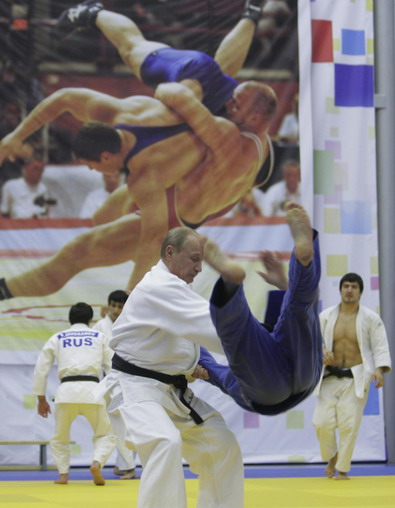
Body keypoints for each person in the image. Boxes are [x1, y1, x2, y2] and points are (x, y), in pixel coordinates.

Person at [0, 0, 276, 294]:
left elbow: (153, 239)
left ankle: (95, 13)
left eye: (92, 166)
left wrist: (129, 302)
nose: (96, 172)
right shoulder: (124, 114)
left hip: (198, 164)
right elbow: (65, 97)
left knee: (136, 50)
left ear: (107, 156)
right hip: (222, 154)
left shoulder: (149, 172)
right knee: (102, 217)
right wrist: (14, 136)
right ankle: (251, 13)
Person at [99, 227, 261, 508]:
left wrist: (190, 368)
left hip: (171, 390)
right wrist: (266, 346)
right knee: (164, 441)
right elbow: (212, 327)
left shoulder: (175, 288)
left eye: (202, 261)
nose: (200, 268)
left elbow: (186, 338)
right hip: (136, 387)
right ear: (170, 253)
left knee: (221, 442)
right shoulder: (159, 286)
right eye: (195, 259)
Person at [197, 202, 323, 415]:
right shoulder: (255, 353)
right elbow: (210, 366)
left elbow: (209, 368)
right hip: (305, 367)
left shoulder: (238, 377)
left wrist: (197, 362)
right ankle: (302, 264)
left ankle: (233, 283)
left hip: (284, 387)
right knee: (299, 310)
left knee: (296, 310)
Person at [312, 273, 391, 480]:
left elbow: (380, 345)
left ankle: (343, 469)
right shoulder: (326, 316)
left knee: (349, 424)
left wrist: (380, 370)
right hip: (329, 376)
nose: (349, 290)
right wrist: (321, 352)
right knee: (321, 423)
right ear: (340, 290)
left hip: (356, 377)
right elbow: (312, 342)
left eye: (353, 287)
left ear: (360, 291)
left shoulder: (371, 318)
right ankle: (331, 456)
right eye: (345, 286)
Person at [33, 302, 117, 485]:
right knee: (106, 433)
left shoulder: (58, 337)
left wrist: (41, 398)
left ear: (70, 319)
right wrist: (113, 393)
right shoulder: (99, 336)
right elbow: (112, 367)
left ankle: (63, 475)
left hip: (66, 393)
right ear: (89, 319)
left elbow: (41, 368)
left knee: (60, 437)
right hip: (92, 391)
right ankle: (96, 463)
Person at [93, 289, 138, 479]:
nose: (116, 310)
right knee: (118, 425)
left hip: (132, 378)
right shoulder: (99, 326)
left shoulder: (132, 324)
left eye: (120, 306)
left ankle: (125, 465)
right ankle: (126, 466)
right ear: (108, 305)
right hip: (111, 380)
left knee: (130, 425)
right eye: (113, 305)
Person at [1, 154, 52, 218]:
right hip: (18, 225)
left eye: (41, 170)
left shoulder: (44, 189)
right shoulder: (10, 186)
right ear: (25, 169)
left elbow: (47, 212)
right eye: (35, 169)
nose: (38, 173)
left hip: (40, 225)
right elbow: (4, 213)